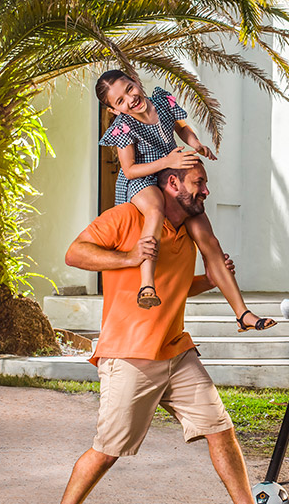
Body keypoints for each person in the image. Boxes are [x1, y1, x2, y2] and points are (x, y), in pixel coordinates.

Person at [44, 161, 289, 504]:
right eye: (199, 183)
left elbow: (175, 285)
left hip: (175, 349)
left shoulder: (189, 232)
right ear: (173, 182)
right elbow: (75, 254)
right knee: (108, 449)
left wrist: (209, 282)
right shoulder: (127, 217)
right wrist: (129, 258)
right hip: (130, 354)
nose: (206, 192)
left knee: (220, 429)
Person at [95, 69, 274, 332]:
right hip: (141, 180)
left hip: (170, 174)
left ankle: (242, 313)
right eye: (119, 101)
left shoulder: (161, 101)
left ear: (135, 81)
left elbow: (182, 128)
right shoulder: (123, 127)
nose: (130, 99)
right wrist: (168, 161)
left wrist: (196, 143)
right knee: (155, 210)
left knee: (208, 238)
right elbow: (130, 169)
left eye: (129, 89)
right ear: (114, 110)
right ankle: (147, 284)